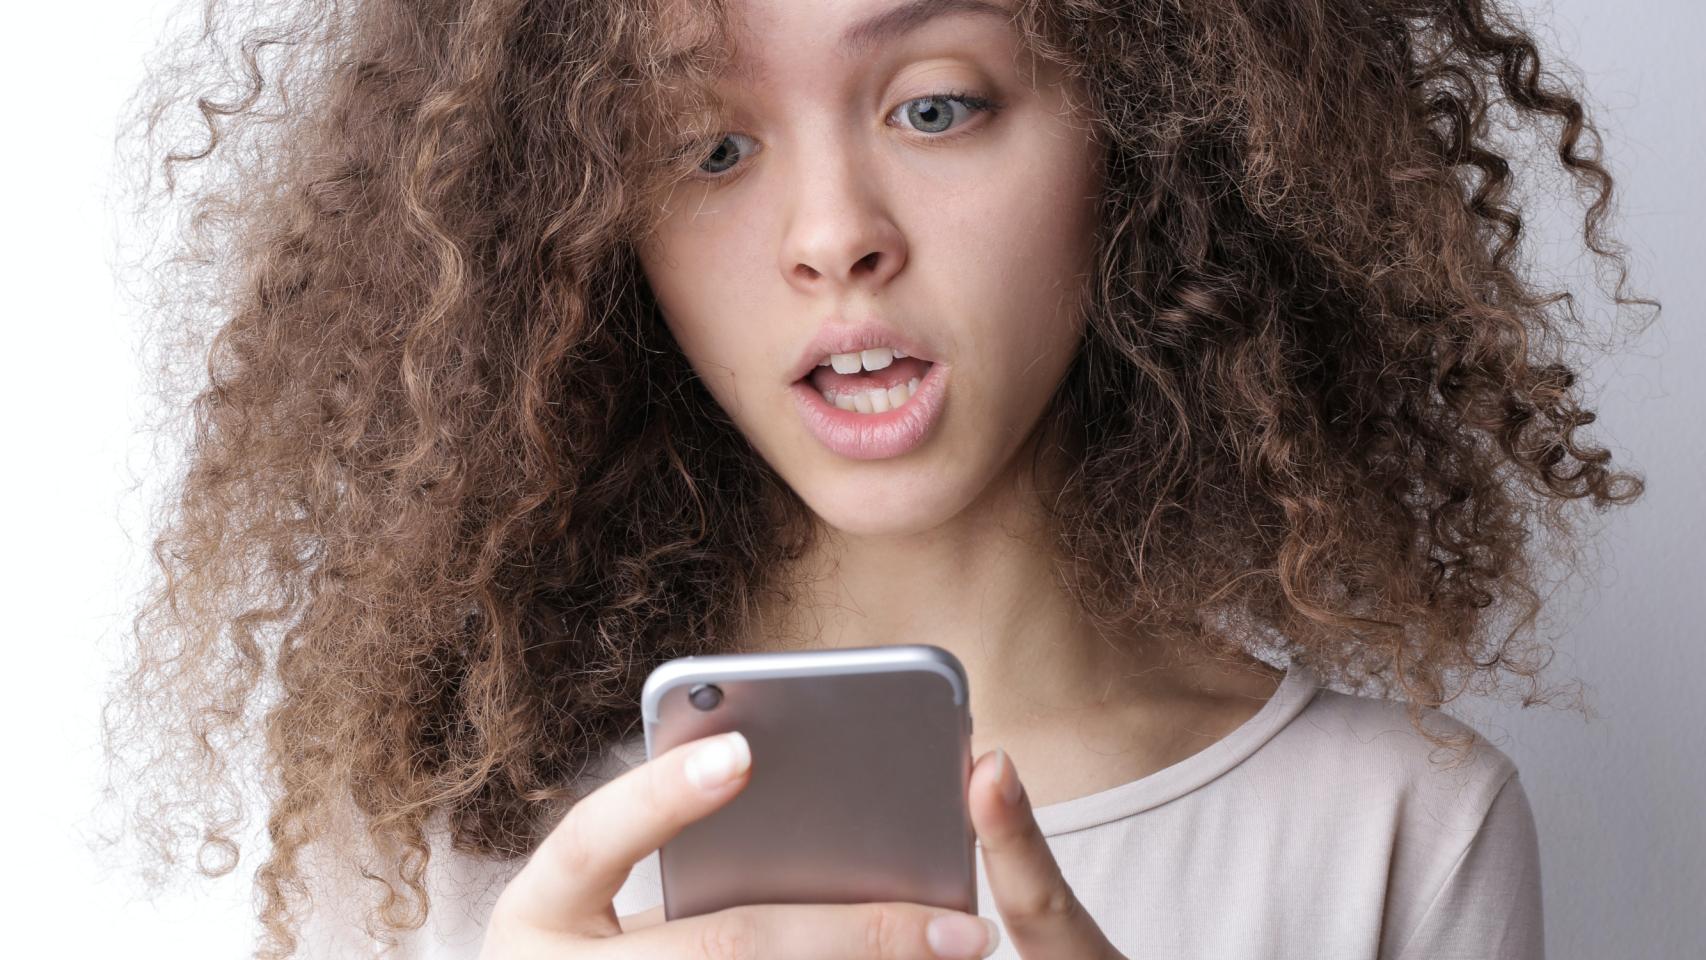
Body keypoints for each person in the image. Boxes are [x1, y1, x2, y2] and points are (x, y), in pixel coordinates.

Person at [101, 0, 1656, 957]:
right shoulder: (443, 845)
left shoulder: (1397, 830)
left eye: (934, 104)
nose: (831, 230)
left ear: (1156, 138)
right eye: (707, 144)